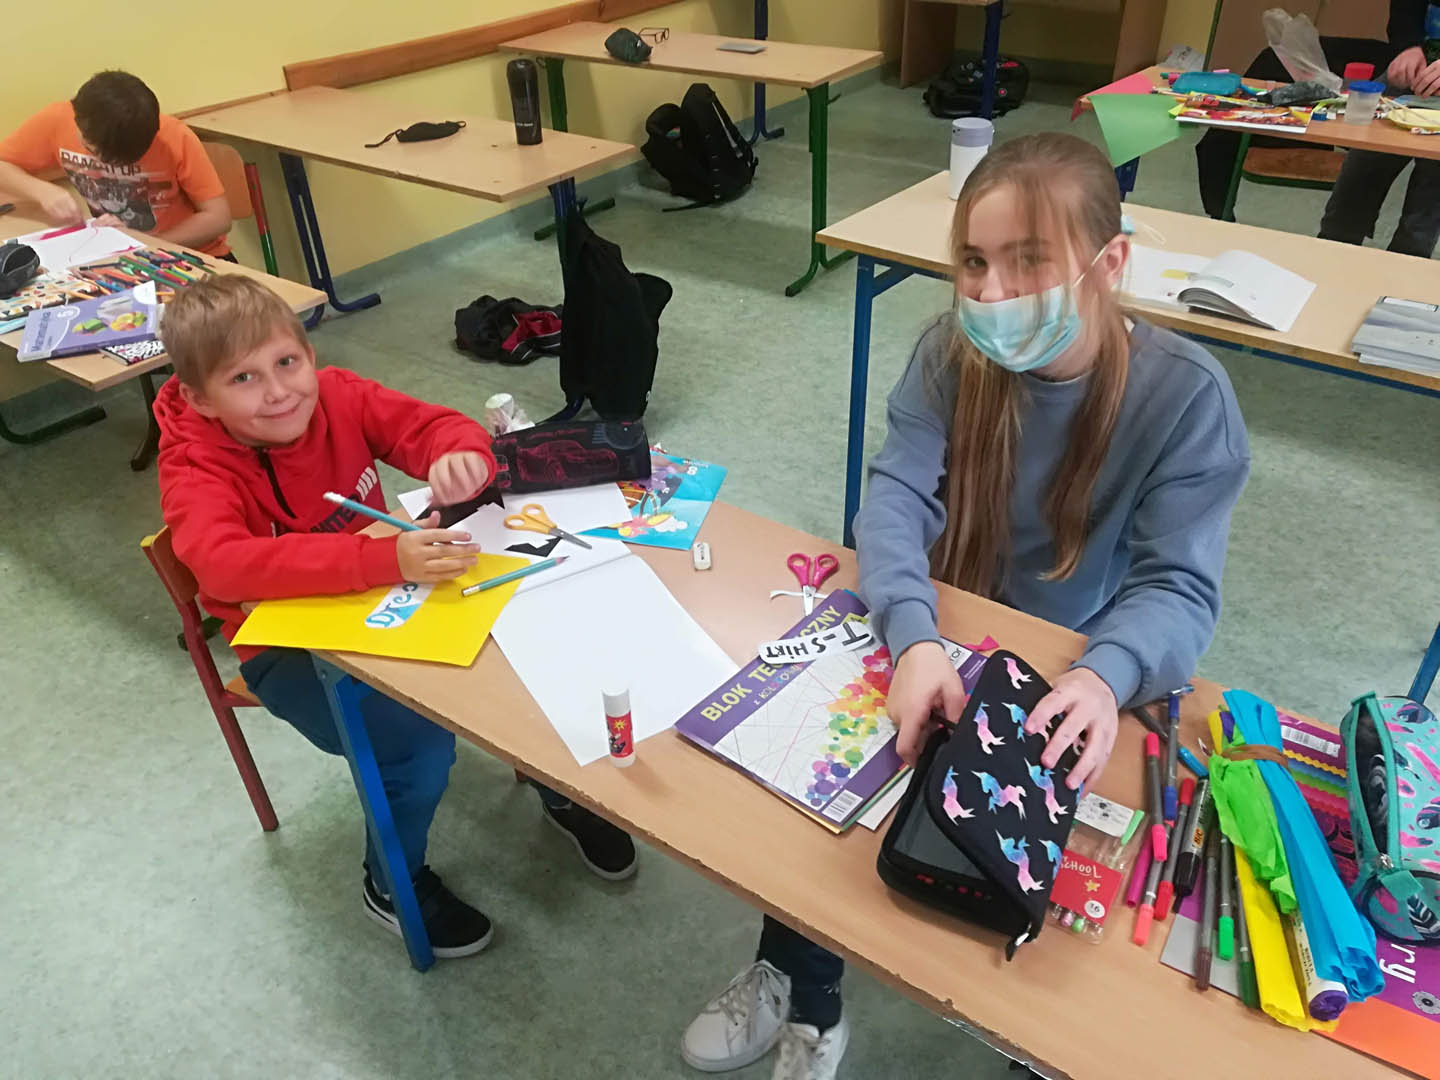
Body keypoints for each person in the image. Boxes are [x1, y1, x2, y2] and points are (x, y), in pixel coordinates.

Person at [680, 133, 1250, 1080]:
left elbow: (1178, 587)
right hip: (937, 626)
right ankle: (803, 987)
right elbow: (893, 503)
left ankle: (1027, 1047)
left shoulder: (1188, 398)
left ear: (1109, 264)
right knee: (829, 810)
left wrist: (1104, 677)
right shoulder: (951, 354)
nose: (992, 292)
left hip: (1078, 663)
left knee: (1052, 901)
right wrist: (913, 638)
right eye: (974, 262)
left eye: (1029, 261)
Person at [155, 276, 637, 958]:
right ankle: (391, 882)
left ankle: (557, 787)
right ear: (201, 398)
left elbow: (432, 427)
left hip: (385, 593)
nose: (279, 392)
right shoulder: (194, 465)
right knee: (414, 744)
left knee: (526, 645)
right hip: (283, 647)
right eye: (244, 378)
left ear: (308, 354)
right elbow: (223, 567)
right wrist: (380, 560)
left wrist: (460, 456)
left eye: (287, 362)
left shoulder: (338, 395)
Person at [1194, 1, 1426, 225]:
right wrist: (1409, 46)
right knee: (1356, 182)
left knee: (1423, 204)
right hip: (1416, 59)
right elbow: (1406, 11)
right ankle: (1335, 239)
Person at [0, 70, 233, 258]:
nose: (100, 162)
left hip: (189, 254)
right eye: (92, 151)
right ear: (77, 121)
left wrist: (147, 243)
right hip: (118, 254)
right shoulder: (58, 119)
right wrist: (41, 191)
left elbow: (218, 218)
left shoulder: (173, 137)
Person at [1319, 1, 1440, 258]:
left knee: (1426, 208)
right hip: (1415, 71)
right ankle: (1332, 252)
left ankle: (1404, 267)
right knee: (1359, 175)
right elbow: (1405, 8)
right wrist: (1408, 47)